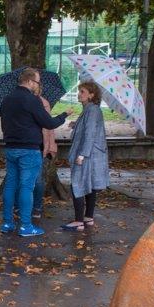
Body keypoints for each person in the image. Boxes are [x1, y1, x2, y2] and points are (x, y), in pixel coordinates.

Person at [0, 67, 66, 237]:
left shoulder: (6, 99)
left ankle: (7, 223)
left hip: (10, 147)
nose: (38, 85)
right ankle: (26, 226)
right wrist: (64, 115)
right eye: (37, 81)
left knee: (11, 185)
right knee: (27, 187)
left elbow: (4, 124)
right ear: (29, 81)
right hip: (28, 149)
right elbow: (48, 123)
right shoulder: (32, 100)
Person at [62, 81, 111, 231]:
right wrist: (75, 125)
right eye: (79, 91)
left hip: (87, 154)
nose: (79, 94)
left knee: (77, 183)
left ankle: (78, 221)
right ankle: (88, 217)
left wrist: (82, 155)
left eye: (82, 91)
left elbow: (90, 133)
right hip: (93, 154)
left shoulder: (92, 110)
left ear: (91, 95)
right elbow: (89, 128)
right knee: (90, 185)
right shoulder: (91, 109)